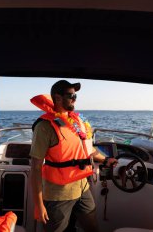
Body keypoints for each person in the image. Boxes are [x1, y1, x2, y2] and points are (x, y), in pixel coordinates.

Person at [30, 80, 117, 232]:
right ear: (57, 98)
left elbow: (88, 150)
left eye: (75, 95)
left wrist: (107, 160)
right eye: (71, 95)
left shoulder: (77, 122)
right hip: (58, 194)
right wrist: (38, 205)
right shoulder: (44, 127)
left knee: (92, 228)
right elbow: (36, 167)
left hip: (82, 187)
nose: (74, 99)